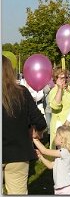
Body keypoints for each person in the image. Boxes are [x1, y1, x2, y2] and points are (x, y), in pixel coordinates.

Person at [2, 55, 47, 195]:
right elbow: (40, 122)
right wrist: (35, 131)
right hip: (18, 154)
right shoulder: (21, 92)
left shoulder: (22, 92)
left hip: (17, 154)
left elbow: (39, 122)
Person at [33, 125, 70, 195]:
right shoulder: (61, 153)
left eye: (57, 135)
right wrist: (41, 157)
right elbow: (51, 165)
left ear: (63, 140)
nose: (55, 137)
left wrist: (34, 138)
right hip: (59, 189)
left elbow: (44, 150)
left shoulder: (65, 152)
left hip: (66, 189)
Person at [49, 67, 70, 149]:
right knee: (62, 154)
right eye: (62, 78)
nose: (65, 80)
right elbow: (55, 106)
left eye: (66, 77)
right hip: (61, 127)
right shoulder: (54, 91)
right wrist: (60, 88)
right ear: (56, 79)